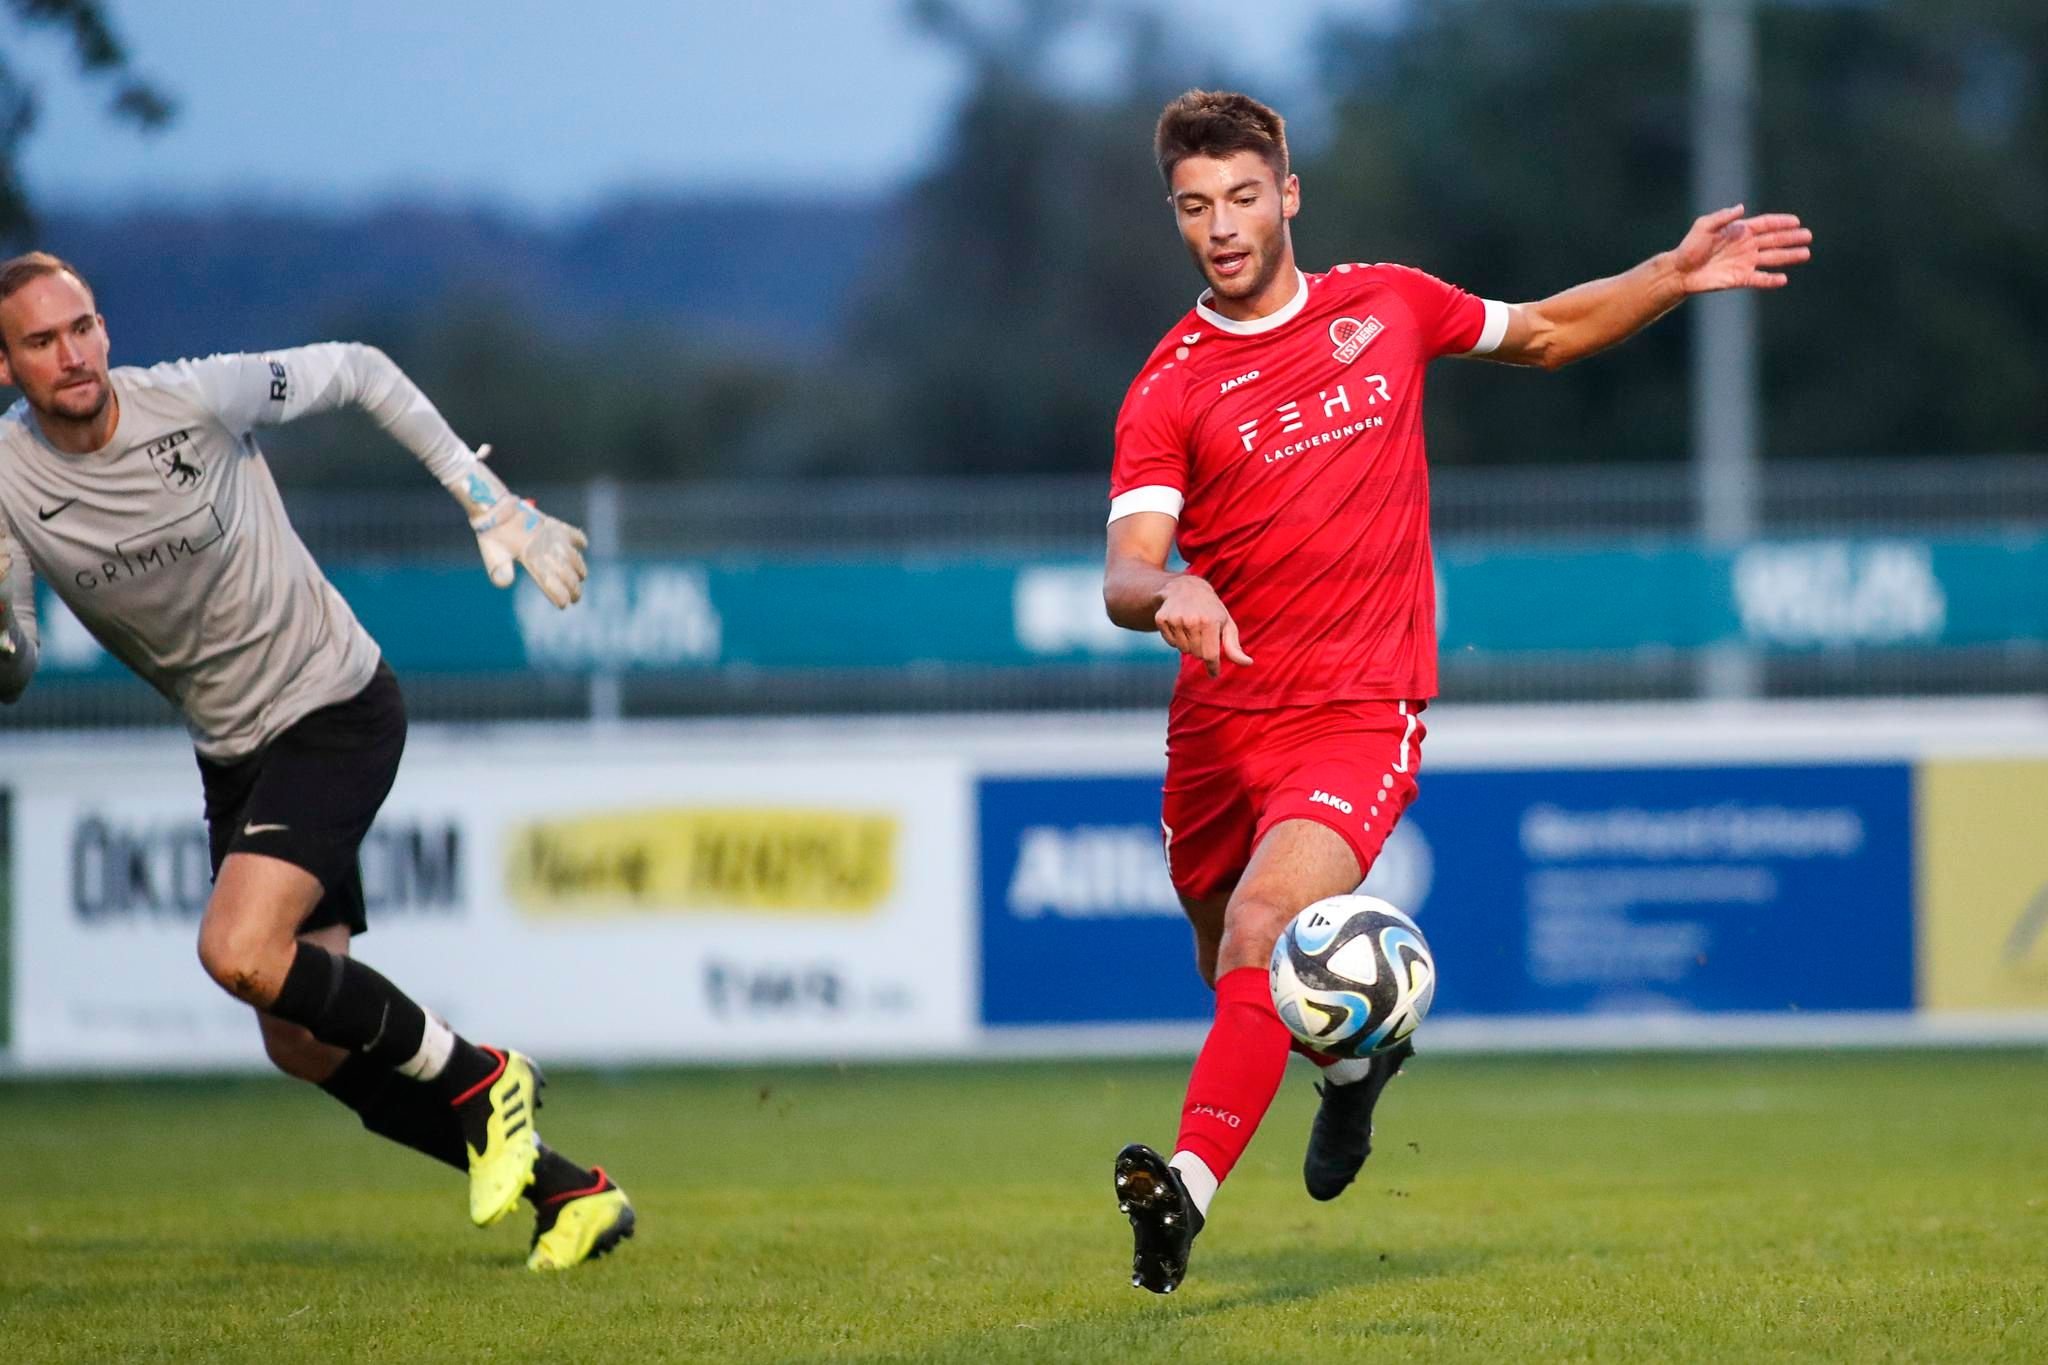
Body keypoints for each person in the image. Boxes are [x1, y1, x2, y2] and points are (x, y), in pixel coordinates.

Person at [1102, 91, 1812, 1293]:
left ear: (1286, 194)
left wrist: (1667, 274)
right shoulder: (1168, 387)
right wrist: (1164, 588)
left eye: (1237, 198)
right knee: (1226, 962)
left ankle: (1183, 1194)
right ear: (1174, 218)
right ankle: (1353, 1071)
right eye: (1191, 208)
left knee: (1266, 934)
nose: (1218, 226)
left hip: (1357, 709)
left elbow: (1541, 333)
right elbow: (1123, 567)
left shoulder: (1384, 302)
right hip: (1218, 725)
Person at [0, 252, 633, 1271]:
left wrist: (486, 498)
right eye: (40, 341)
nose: (70, 355)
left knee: (238, 953)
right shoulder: (5, 479)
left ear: (106, 329)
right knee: (300, 1035)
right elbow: (17, 671)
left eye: (81, 328)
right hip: (235, 750)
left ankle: (483, 1077)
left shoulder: (195, 400)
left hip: (334, 704)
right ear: (5, 366)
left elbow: (360, 369)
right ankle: (570, 1194)